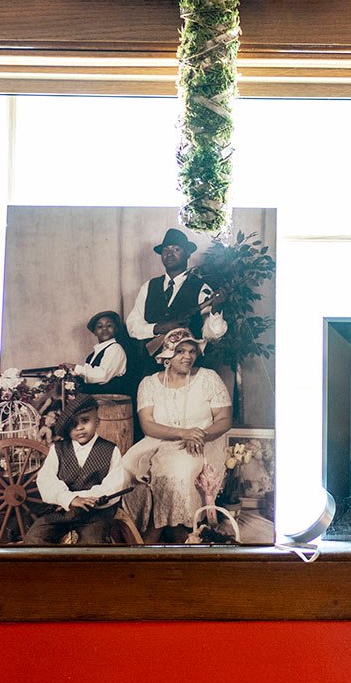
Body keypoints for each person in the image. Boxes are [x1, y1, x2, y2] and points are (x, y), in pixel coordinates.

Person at [122, 328, 232, 543]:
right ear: (166, 355)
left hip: (200, 443)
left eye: (192, 351)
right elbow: (148, 425)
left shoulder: (208, 378)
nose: (188, 356)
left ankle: (172, 530)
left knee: (177, 473)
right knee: (126, 468)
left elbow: (224, 419)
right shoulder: (149, 383)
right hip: (157, 441)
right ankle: (142, 525)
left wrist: (199, 435)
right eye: (181, 351)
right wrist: (184, 432)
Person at [22, 395, 138, 545]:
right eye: (73, 424)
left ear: (97, 421)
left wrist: (87, 498)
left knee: (93, 542)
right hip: (62, 511)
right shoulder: (58, 449)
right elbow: (46, 479)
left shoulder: (110, 450)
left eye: (85, 421)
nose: (79, 428)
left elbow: (113, 485)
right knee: (34, 538)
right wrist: (69, 499)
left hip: (95, 515)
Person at [125, 228, 228, 377]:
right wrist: (158, 328)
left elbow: (212, 335)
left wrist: (216, 310)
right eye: (166, 250)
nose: (169, 254)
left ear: (187, 254)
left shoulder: (202, 288)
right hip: (150, 369)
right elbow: (133, 326)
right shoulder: (149, 286)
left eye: (176, 249)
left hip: (187, 371)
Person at [61, 309, 137, 399]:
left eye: (109, 325)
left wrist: (75, 367)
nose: (104, 329)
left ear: (116, 329)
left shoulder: (115, 349)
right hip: (97, 401)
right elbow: (89, 378)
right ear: (95, 332)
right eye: (99, 327)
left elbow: (102, 375)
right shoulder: (92, 356)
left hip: (111, 402)